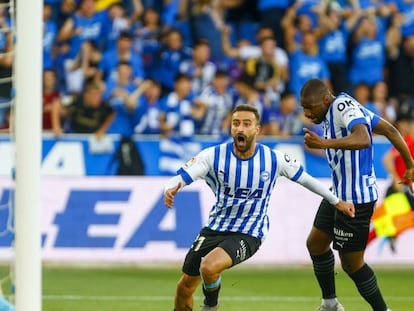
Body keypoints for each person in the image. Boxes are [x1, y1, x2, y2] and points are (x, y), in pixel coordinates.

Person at [164, 104, 355, 311]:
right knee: (184, 288)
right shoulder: (213, 156)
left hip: (249, 232)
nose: (240, 129)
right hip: (214, 228)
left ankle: (210, 306)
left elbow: (307, 180)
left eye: (247, 124)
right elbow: (184, 175)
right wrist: (172, 187)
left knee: (209, 267)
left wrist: (337, 202)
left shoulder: (273, 159)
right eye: (236, 123)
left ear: (257, 129)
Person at [300, 78, 414, 311]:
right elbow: (391, 130)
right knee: (315, 243)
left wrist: (323, 143)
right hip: (338, 192)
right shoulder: (345, 108)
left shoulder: (343, 107)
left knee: (352, 264)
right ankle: (330, 303)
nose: (308, 115)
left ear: (325, 99)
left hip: (356, 198)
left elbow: (363, 138)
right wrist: (410, 165)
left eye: (310, 109)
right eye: (304, 109)